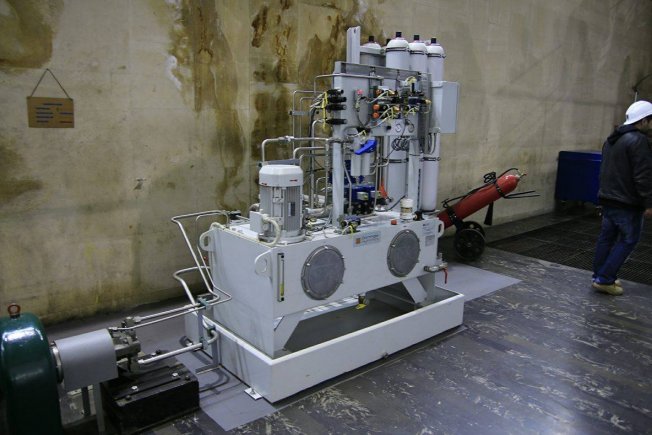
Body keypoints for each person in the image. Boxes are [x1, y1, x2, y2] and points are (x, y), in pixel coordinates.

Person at [592, 100, 652, 295]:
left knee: (606, 239)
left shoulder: (612, 139)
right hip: (627, 202)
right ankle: (605, 279)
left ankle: (598, 275)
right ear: (643, 120)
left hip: (608, 198)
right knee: (629, 239)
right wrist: (648, 203)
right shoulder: (638, 140)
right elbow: (643, 176)